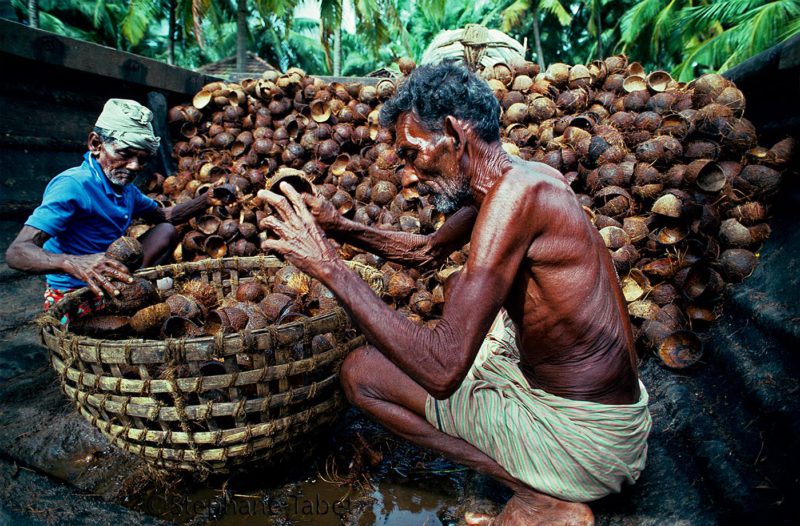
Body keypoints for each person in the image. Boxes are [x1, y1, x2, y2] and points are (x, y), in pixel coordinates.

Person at [258, 62, 652, 526]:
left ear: (452, 133)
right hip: (615, 419)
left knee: (360, 372)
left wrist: (328, 266)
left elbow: (443, 371)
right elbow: (427, 253)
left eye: (411, 154)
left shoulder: (511, 202)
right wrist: (339, 227)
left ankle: (538, 497)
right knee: (459, 290)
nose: (407, 175)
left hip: (585, 445)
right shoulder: (522, 177)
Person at [6, 98, 229, 319]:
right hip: (77, 291)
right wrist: (73, 262)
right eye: (124, 154)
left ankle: (133, 289)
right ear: (95, 144)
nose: (134, 166)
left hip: (115, 278)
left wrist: (205, 199)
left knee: (165, 230)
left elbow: (165, 216)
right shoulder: (72, 185)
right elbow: (17, 252)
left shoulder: (126, 190)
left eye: (142, 160)